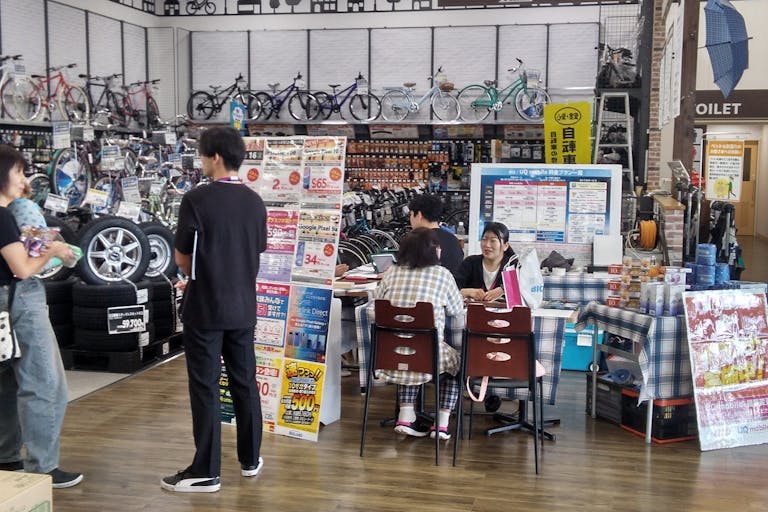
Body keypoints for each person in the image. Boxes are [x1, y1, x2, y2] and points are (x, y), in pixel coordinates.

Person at [163, 127, 267, 493]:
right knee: (245, 383)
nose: (202, 162)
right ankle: (250, 458)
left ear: (216, 157)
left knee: (205, 386)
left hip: (206, 307)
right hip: (243, 307)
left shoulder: (197, 199)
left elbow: (183, 257)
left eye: (203, 155)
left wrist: (192, 273)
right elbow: (254, 252)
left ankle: (206, 470)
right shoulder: (256, 202)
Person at [0, 145, 82, 488]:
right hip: (20, 301)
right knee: (45, 383)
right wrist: (54, 250)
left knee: (6, 382)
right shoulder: (3, 216)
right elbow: (21, 269)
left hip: (4, 305)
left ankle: (6, 457)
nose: (23, 181)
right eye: (18, 172)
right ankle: (42, 466)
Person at [373, 227, 464, 439]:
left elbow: (375, 306)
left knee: (408, 355)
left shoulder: (391, 273)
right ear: (432, 251)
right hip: (429, 354)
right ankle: (441, 423)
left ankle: (405, 416)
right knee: (458, 365)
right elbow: (457, 311)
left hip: (390, 355)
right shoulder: (442, 275)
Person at [454, 221, 516, 302]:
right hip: (473, 313)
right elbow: (452, 290)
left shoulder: (511, 266)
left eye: (493, 241)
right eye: (484, 239)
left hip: (504, 314)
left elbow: (521, 293)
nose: (487, 245)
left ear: (505, 246)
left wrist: (503, 290)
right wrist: (469, 292)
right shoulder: (470, 263)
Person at [408, 193, 463, 273]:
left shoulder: (417, 240)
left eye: (411, 214)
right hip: (453, 284)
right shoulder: (453, 239)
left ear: (419, 215)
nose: (410, 219)